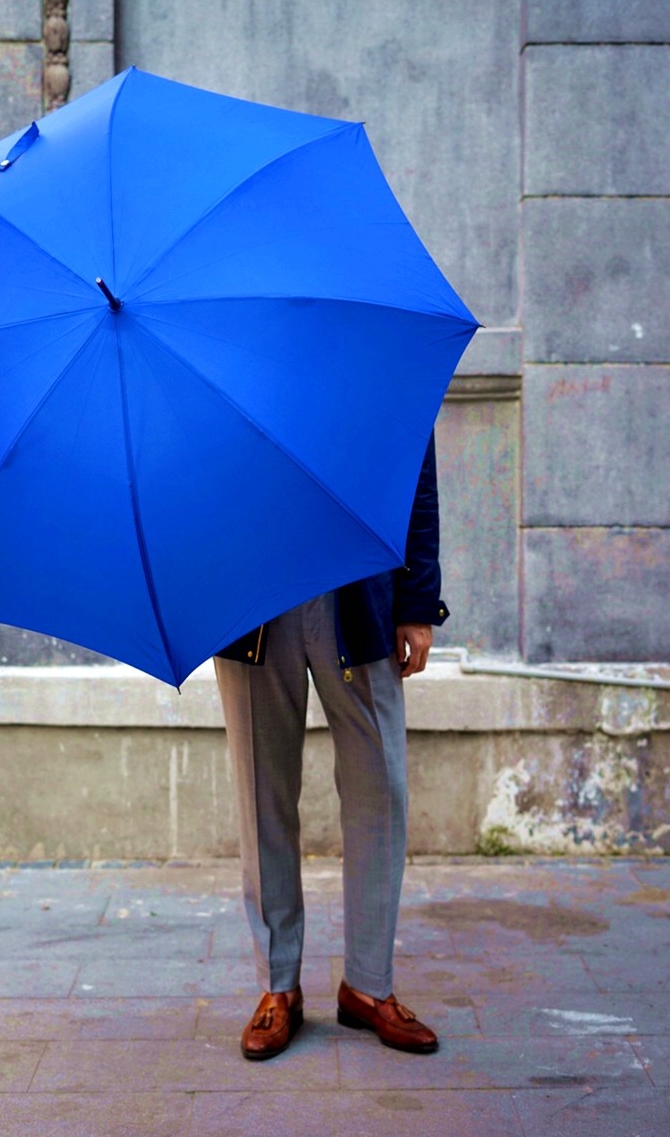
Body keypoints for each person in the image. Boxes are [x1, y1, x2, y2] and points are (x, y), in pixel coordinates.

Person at [214, 431, 448, 1060]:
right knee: (262, 795)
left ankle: (369, 987)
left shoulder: (376, 339)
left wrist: (418, 601)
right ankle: (277, 988)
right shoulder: (209, 338)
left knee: (382, 791)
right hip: (250, 601)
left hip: (358, 593)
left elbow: (414, 477)